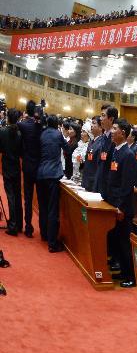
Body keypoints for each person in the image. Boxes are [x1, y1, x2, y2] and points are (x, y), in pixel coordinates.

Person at [102, 119, 137, 288]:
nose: (112, 131)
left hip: (122, 207)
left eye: (115, 128)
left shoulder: (128, 154)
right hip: (112, 202)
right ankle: (122, 271)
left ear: (123, 132)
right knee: (115, 240)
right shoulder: (115, 150)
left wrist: (120, 207)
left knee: (124, 242)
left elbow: (126, 185)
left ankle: (131, 275)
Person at [36, 114, 66, 253]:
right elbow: (67, 148)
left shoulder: (42, 134)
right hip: (53, 175)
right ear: (57, 124)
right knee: (52, 209)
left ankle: (44, 235)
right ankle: (52, 243)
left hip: (40, 173)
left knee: (42, 206)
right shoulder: (58, 134)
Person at [18, 100, 42, 238]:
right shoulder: (41, 127)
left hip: (27, 165)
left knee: (27, 198)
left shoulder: (22, 125)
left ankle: (28, 227)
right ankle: (43, 229)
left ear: (26, 111)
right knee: (40, 199)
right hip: (40, 166)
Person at [0, 109, 24, 236]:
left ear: (8, 118)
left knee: (10, 196)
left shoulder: (3, 131)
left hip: (7, 166)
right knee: (17, 196)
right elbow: (21, 152)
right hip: (16, 166)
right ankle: (19, 224)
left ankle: (13, 225)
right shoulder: (20, 133)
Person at [81, 116, 104, 192]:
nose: (91, 125)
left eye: (94, 123)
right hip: (86, 178)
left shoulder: (102, 142)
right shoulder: (91, 141)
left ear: (101, 127)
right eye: (91, 123)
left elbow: (98, 165)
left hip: (93, 181)